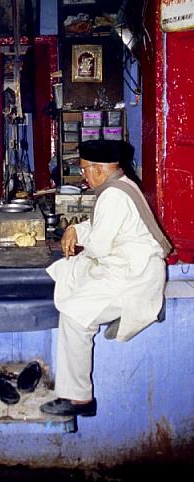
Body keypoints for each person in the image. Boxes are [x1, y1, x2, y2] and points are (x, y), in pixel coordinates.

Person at [41, 139, 172, 418]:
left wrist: (79, 237)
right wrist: (75, 230)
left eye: (85, 169)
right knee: (70, 272)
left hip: (132, 277)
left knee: (74, 317)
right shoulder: (121, 185)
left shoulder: (113, 196)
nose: (84, 174)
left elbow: (99, 246)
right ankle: (105, 313)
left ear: (99, 171)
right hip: (125, 267)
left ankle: (79, 399)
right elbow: (101, 230)